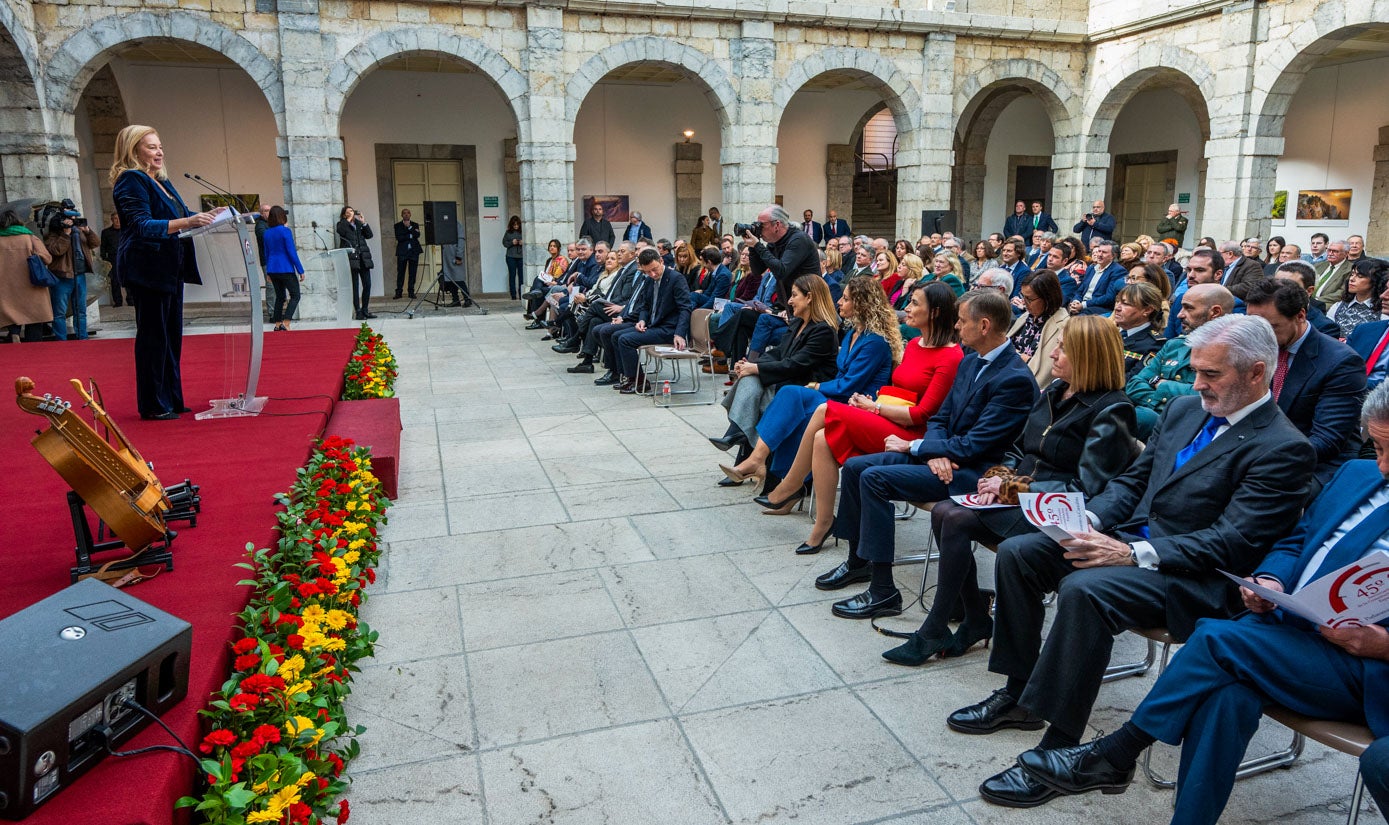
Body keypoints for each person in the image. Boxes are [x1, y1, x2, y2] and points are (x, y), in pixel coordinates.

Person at [958, 314, 1316, 810]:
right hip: (1132, 544)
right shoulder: (1187, 409)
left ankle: (1060, 751)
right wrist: (1089, 524)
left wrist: (1131, 553)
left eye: (1211, 374)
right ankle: (1021, 694)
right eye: (1196, 371)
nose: (1197, 383)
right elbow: (1131, 483)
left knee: (1087, 590)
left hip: (1194, 577)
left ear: (1257, 373)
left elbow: (1232, 541)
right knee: (1023, 552)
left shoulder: (1283, 447)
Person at [1011, 382, 1389, 824]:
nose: (1382, 466)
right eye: (1377, 448)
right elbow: (1296, 537)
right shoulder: (1357, 475)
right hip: (1288, 630)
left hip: (1365, 665)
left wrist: (1382, 645)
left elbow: (1237, 534)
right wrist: (1270, 578)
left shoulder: (1282, 443)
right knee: (1226, 697)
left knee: (1215, 639)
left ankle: (1116, 753)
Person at [882, 316, 1138, 666]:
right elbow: (1018, 449)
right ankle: (969, 620)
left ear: (1089, 356)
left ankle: (941, 628)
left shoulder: (1112, 409)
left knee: (951, 515)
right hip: (1020, 495)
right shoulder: (1055, 392)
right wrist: (998, 479)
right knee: (946, 512)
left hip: (1057, 509)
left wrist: (1010, 488)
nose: (1054, 354)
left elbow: (1087, 486)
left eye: (1064, 347)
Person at [813, 290, 1036, 619]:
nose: (957, 326)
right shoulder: (972, 358)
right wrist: (932, 451)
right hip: (946, 459)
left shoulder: (1014, 379)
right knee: (857, 468)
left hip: (975, 474)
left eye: (962, 321)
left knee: (874, 478)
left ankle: (883, 590)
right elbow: (941, 418)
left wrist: (917, 447)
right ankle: (859, 562)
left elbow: (976, 446)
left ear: (985, 325)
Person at [752, 283, 964, 555]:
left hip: (912, 435)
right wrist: (874, 406)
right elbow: (900, 390)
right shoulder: (913, 344)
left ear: (934, 313)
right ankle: (823, 523)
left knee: (823, 411)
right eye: (909, 301)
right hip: (891, 415)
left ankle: (791, 486)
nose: (906, 308)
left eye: (914, 303)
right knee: (821, 439)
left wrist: (873, 407)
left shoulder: (950, 356)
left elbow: (922, 414)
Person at [713, 274, 899, 489]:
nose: (839, 301)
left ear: (861, 304)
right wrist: (753, 365)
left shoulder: (866, 340)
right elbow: (780, 354)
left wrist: (814, 386)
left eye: (846, 298)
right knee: (755, 381)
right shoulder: (851, 334)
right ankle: (752, 455)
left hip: (850, 399)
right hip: (823, 389)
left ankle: (770, 472)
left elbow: (843, 382)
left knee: (786, 395)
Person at [110, 124, 223, 419]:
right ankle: (153, 404)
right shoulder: (130, 180)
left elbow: (184, 217)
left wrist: (213, 218)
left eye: (160, 146)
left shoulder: (161, 181)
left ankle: (171, 398)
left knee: (171, 336)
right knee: (153, 337)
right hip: (147, 269)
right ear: (133, 150)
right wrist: (189, 222)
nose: (159, 152)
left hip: (169, 267)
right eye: (151, 147)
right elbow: (140, 226)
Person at [1243, 278, 1367, 488]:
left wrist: (1262, 459)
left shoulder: (1341, 362)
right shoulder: (1256, 347)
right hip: (1258, 449)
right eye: (1253, 325)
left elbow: (1327, 440)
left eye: (1270, 326)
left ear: (1300, 315)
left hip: (1315, 463)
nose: (1259, 335)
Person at [715, 275, 840, 465]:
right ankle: (739, 436)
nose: (789, 301)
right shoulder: (798, 322)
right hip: (788, 378)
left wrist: (755, 367)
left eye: (794, 295)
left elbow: (796, 364)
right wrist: (750, 364)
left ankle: (740, 438)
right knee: (751, 378)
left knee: (756, 383)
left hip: (805, 385)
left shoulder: (824, 331)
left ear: (809, 297)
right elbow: (778, 353)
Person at [1127, 283, 1235, 438]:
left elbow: (1207, 398)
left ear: (1215, 312)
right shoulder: (1174, 345)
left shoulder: (1230, 354)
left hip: (1190, 432)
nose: (1179, 315)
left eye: (1189, 308)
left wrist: (1163, 385)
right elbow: (1134, 384)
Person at [609, 247, 692, 394]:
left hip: (668, 329)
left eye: (654, 269)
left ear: (661, 261)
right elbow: (645, 306)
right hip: (653, 325)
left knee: (625, 340)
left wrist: (679, 333)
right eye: (647, 271)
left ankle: (639, 381)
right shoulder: (649, 280)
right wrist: (641, 320)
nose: (652, 274)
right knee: (616, 336)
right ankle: (628, 377)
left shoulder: (676, 278)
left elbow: (685, 308)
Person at [42, 207, 100, 340]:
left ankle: (82, 338)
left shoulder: (79, 232)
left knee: (81, 311)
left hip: (79, 275)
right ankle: (61, 341)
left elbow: (95, 243)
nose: (73, 222)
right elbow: (57, 251)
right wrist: (65, 234)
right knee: (59, 312)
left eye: (75, 219)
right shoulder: (53, 234)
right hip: (61, 277)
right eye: (70, 219)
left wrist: (87, 231)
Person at [0, 207, 54, 343]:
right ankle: (33, 347)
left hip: (6, 286)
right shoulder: (29, 237)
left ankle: (14, 333)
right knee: (34, 318)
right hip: (31, 285)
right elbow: (47, 258)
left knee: (11, 312)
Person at [1007, 270, 1069, 387]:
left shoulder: (1063, 326)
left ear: (1048, 298)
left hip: (1024, 385)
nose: (1024, 303)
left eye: (1029, 299)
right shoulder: (1027, 316)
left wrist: (1017, 356)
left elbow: (1044, 373)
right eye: (1022, 296)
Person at [261, 205, 305, 331]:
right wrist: (300, 269)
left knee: (280, 297)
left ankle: (277, 323)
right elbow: (291, 252)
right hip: (285, 267)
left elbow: (266, 253)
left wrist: (268, 271)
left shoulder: (267, 233)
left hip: (273, 268)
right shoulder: (285, 231)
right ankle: (286, 322)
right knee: (295, 295)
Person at [1111, 281, 1166, 379]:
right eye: (1117, 301)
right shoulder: (1109, 332)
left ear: (1147, 310)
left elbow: (1132, 381)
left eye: (1126, 304)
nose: (1117, 308)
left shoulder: (1155, 345)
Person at [1328, 257, 1389, 338]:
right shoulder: (1338, 307)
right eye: (1352, 274)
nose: (1352, 279)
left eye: (1360, 276)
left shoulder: (1384, 311)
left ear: (1375, 280)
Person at [336, 205, 375, 320]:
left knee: (367, 284)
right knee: (355, 286)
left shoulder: (358, 224)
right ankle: (358, 311)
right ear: (344, 215)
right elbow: (341, 232)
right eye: (348, 212)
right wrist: (348, 220)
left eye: (352, 211)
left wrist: (364, 223)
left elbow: (369, 235)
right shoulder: (342, 224)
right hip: (351, 259)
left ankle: (365, 310)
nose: (351, 213)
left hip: (363, 257)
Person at [1066, 239, 1125, 315]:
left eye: (1104, 252)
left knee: (1079, 318)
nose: (1099, 255)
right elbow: (1080, 290)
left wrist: (1083, 305)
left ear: (1113, 256)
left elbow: (1109, 297)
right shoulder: (1091, 268)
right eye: (1099, 251)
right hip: (1081, 304)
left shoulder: (1118, 271)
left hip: (1099, 308)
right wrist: (1076, 301)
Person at [392, 208, 422, 299]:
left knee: (412, 273)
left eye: (408, 213)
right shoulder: (397, 225)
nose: (406, 214)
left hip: (413, 252)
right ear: (401, 215)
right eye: (404, 213)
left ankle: (411, 292)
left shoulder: (415, 224)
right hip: (402, 252)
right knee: (401, 272)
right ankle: (399, 292)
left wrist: (409, 227)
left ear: (410, 214)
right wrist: (410, 234)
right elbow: (399, 237)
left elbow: (417, 235)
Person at [439, 238, 474, 308]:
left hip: (454, 256)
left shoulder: (458, 226)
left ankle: (467, 299)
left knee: (459, 279)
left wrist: (459, 256)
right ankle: (455, 300)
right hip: (447, 257)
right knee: (451, 278)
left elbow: (461, 240)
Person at [99, 212, 124, 307]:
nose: (117, 221)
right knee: (115, 281)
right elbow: (103, 247)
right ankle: (118, 301)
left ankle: (131, 300)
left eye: (119, 218)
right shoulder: (106, 232)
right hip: (113, 258)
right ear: (112, 220)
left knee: (128, 279)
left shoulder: (126, 230)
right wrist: (105, 260)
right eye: (115, 219)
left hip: (125, 257)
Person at [501, 215, 524, 300]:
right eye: (514, 225)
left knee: (521, 276)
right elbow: (504, 243)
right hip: (510, 257)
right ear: (511, 225)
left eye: (517, 225)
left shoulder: (523, 231)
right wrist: (512, 242)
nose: (516, 226)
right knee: (512, 275)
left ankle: (522, 294)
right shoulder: (508, 232)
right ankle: (513, 295)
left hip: (521, 257)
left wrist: (523, 242)